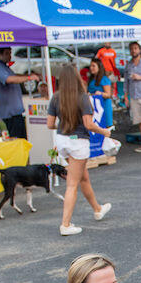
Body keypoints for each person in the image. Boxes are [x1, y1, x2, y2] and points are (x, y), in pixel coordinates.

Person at [47, 64, 114, 235]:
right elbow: (88, 124)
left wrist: (64, 125)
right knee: (72, 184)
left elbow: (49, 124)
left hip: (62, 140)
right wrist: (104, 131)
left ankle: (97, 209)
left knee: (82, 176)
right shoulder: (82, 98)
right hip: (78, 142)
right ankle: (65, 224)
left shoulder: (55, 98)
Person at [0, 47, 39, 140]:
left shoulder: (5, 67)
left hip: (16, 112)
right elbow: (9, 79)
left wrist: (29, 75)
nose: (9, 56)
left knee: (22, 139)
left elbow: (15, 76)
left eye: (10, 53)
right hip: (10, 113)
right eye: (7, 54)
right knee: (17, 140)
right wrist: (29, 78)